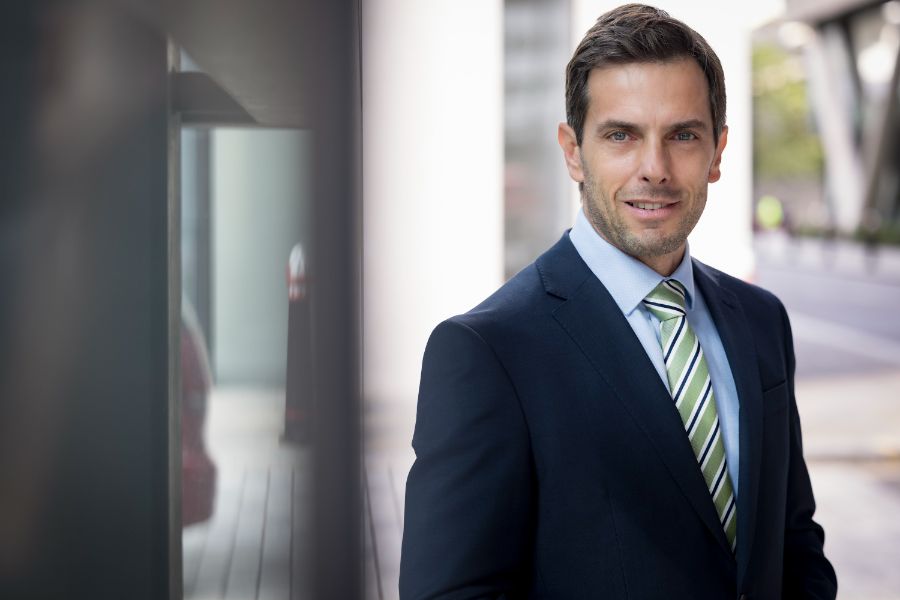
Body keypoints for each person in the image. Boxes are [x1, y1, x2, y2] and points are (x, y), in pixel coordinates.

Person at [399, 4, 837, 599]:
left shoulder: (761, 321)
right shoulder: (488, 352)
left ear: (717, 152)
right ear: (573, 151)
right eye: (621, 135)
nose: (654, 169)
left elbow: (793, 543)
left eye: (683, 135)